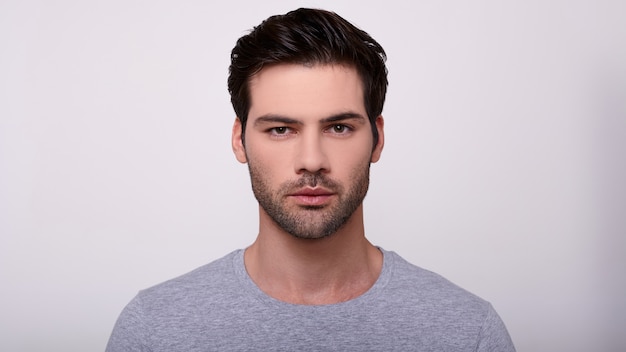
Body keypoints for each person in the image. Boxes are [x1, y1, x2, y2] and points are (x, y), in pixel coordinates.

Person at [106, 8, 515, 351]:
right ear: (239, 140)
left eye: (339, 127)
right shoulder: (155, 330)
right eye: (281, 130)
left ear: (378, 139)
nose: (312, 161)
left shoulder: (467, 332)